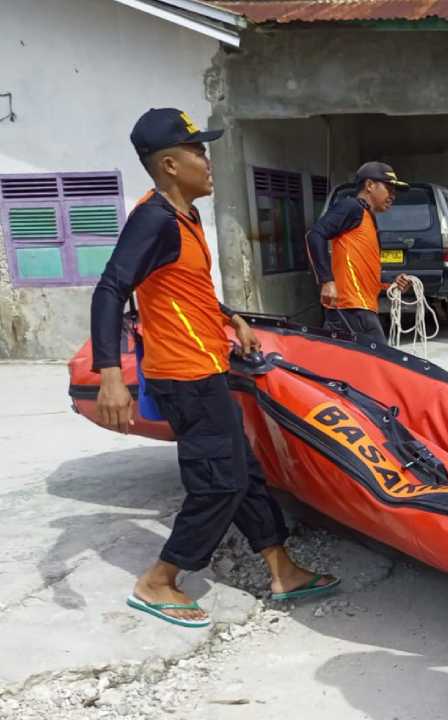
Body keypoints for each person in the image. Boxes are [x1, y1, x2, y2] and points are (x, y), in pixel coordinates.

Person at [91, 108, 338, 629]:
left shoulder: (186, 217)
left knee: (243, 471)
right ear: (168, 164)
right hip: (182, 376)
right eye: (197, 151)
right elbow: (111, 288)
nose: (208, 160)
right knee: (217, 484)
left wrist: (232, 319)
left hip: (206, 364)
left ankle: (281, 568)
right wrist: (110, 374)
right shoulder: (153, 220)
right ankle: (159, 580)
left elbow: (188, 288)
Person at [306, 161, 412, 344]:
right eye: (389, 188)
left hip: (359, 309)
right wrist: (326, 281)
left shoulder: (368, 219)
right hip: (351, 309)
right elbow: (315, 235)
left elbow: (363, 271)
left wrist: (391, 284)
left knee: (349, 368)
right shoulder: (352, 207)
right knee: (382, 365)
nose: (393, 196)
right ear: (370, 185)